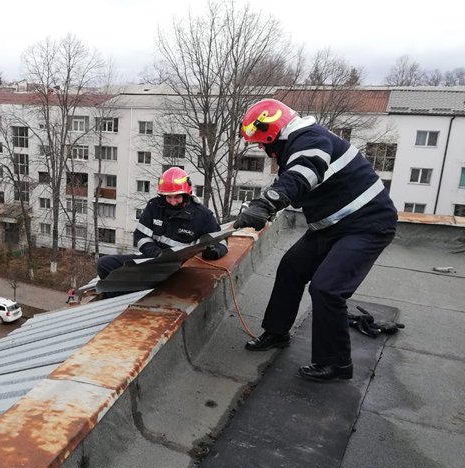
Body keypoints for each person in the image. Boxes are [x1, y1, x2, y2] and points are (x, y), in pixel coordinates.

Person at [234, 98, 398, 382]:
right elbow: (299, 182)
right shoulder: (301, 141)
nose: (262, 148)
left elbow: (302, 174)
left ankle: (336, 364)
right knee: (291, 269)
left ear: (273, 134)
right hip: (331, 225)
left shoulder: (310, 139)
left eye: (262, 142)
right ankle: (277, 332)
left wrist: (265, 204)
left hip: (367, 225)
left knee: (327, 289)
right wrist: (262, 207)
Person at [97, 167, 228, 283]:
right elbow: (141, 236)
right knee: (104, 264)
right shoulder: (154, 207)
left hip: (180, 268)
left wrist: (214, 252)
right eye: (168, 197)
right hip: (153, 261)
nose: (172, 202)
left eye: (177, 197)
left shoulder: (202, 215)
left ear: (186, 194)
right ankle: (118, 296)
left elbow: (221, 242)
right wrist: (155, 253)